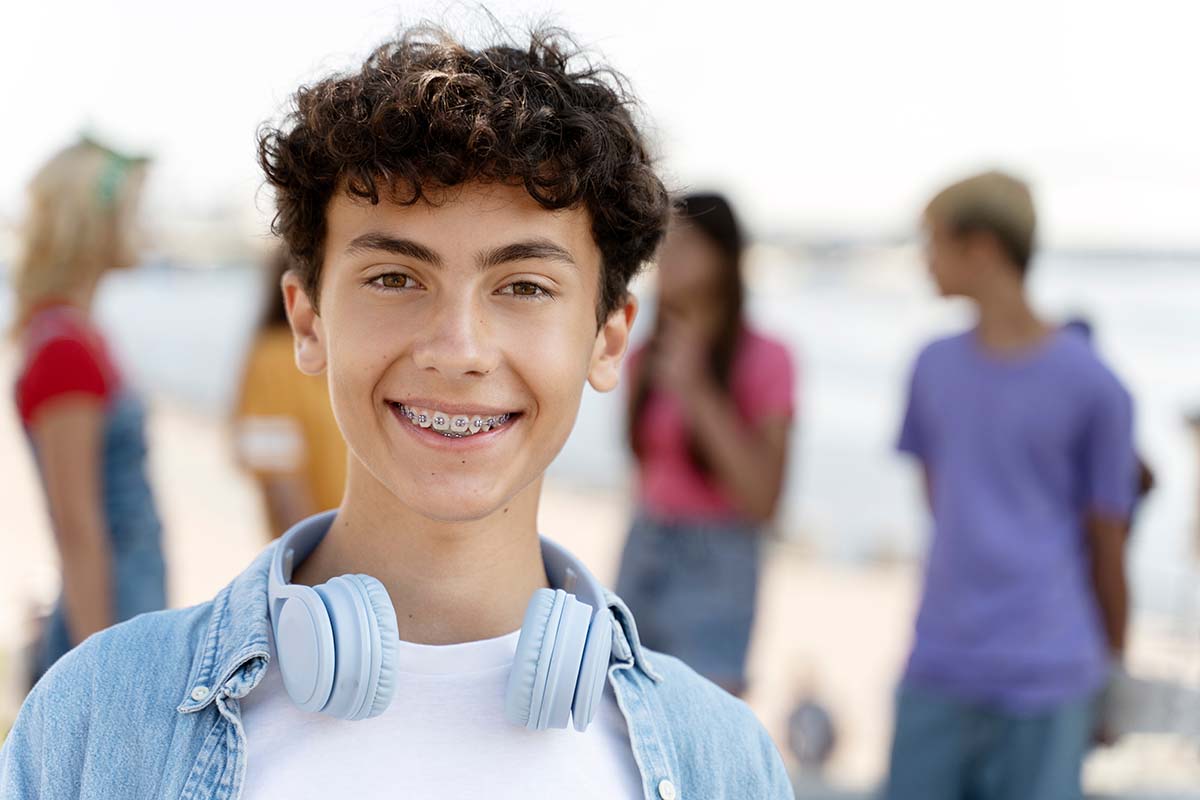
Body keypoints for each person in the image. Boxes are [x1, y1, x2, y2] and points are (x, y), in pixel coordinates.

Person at [0, 25, 794, 799]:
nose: (458, 349)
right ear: (308, 321)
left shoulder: (723, 761)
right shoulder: (96, 718)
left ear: (610, 340)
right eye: (394, 278)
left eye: (524, 286)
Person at [884, 171, 1136, 800]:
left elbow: (1110, 544)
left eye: (934, 242)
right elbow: (943, 503)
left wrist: (1112, 679)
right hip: (939, 661)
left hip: (1049, 678)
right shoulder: (932, 366)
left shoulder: (1096, 387)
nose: (925, 261)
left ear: (983, 248)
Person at [616, 193, 795, 697]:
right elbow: (643, 467)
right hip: (645, 542)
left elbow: (763, 500)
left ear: (723, 259)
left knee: (705, 718)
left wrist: (697, 390)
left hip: (719, 560)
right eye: (663, 244)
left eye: (685, 245)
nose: (667, 258)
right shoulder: (645, 356)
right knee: (624, 712)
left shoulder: (769, 358)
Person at [8, 136, 167, 687]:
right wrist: (101, 678)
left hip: (124, 600)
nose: (145, 224)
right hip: (112, 613)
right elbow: (77, 526)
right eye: (133, 211)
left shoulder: (73, 333)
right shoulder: (65, 346)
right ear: (95, 224)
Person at [234, 247, 347, 537]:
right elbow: (280, 482)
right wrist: (318, 569)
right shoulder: (272, 360)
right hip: (326, 562)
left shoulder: (348, 355)